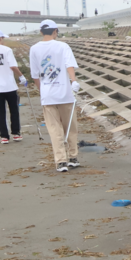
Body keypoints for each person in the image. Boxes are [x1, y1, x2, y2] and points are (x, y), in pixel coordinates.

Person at [29, 19, 81, 172]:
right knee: (70, 127)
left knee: (54, 129)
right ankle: (73, 157)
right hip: (65, 93)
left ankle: (61, 161)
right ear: (55, 31)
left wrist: (42, 91)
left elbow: (35, 75)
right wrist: (73, 81)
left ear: (41, 32)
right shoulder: (63, 46)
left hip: (48, 96)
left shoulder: (34, 49)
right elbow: (69, 65)